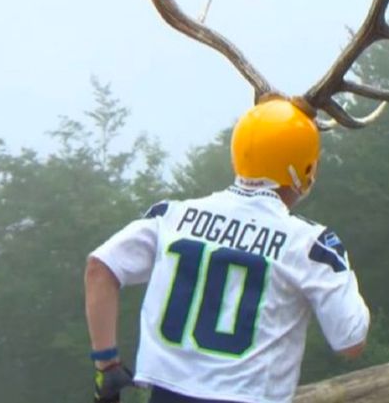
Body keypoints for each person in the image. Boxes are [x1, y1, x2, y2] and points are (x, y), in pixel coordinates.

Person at [84, 96, 370, 403]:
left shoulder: (171, 215)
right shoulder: (312, 244)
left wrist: (107, 364)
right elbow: (350, 341)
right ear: (306, 167)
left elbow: (100, 268)